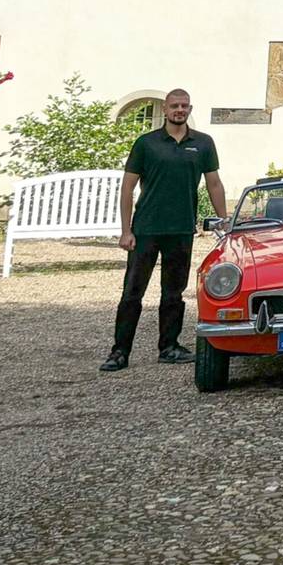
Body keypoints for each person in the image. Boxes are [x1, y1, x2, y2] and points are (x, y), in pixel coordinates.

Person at [102, 89, 224, 372]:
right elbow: (128, 187)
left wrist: (223, 221)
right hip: (146, 229)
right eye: (174, 106)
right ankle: (119, 352)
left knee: (173, 293)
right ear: (165, 110)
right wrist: (125, 230)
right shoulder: (146, 144)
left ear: (189, 108)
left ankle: (169, 346)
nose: (179, 110)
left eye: (183, 106)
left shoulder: (203, 143)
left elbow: (214, 184)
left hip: (181, 229)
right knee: (133, 292)